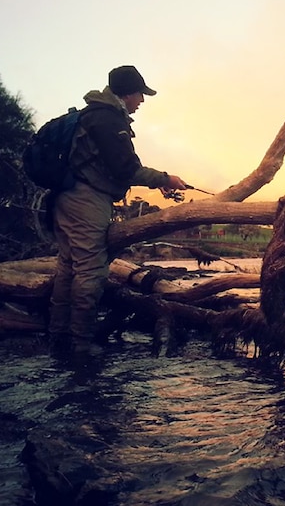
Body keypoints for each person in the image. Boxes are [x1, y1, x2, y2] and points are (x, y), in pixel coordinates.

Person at [48, 65, 188, 359]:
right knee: (89, 272)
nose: (143, 100)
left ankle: (58, 339)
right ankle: (80, 344)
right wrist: (166, 179)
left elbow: (115, 167)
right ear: (127, 92)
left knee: (68, 269)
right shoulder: (109, 117)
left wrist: (159, 184)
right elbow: (125, 168)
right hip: (86, 200)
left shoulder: (93, 115)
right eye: (141, 93)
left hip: (65, 197)